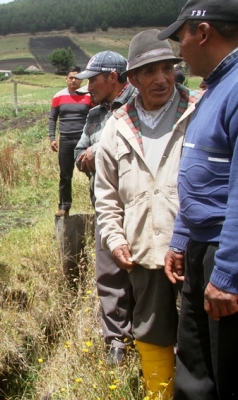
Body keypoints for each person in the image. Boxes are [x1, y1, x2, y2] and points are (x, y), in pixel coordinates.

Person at [94, 29, 200, 399]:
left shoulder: (198, 111)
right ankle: (160, 394)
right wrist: (115, 237)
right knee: (151, 328)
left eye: (167, 68)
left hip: (194, 248)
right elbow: (105, 197)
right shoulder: (116, 128)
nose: (161, 79)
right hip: (142, 248)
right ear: (133, 79)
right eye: (150, 71)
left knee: (199, 330)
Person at [158, 1, 238, 398]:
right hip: (200, 250)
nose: (179, 50)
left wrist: (227, 273)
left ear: (202, 32)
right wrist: (181, 237)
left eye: (180, 38)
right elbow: (202, 176)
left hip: (224, 254)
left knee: (225, 370)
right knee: (194, 367)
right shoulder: (214, 89)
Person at [73, 51, 138, 365]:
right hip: (105, 207)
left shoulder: (140, 104)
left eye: (93, 80)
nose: (88, 88)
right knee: (109, 275)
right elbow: (79, 153)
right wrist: (89, 155)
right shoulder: (95, 113)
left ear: (112, 77)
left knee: (142, 274)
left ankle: (148, 338)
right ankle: (117, 342)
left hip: (139, 208)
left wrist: (100, 149)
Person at [49, 66, 92, 217]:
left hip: (84, 141)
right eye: (71, 77)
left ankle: (97, 203)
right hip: (66, 140)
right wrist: (53, 138)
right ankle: (64, 206)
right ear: (66, 79)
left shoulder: (89, 96)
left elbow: (94, 117)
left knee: (92, 172)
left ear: (82, 80)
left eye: (77, 77)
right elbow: (52, 119)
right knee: (65, 175)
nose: (74, 80)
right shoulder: (58, 96)